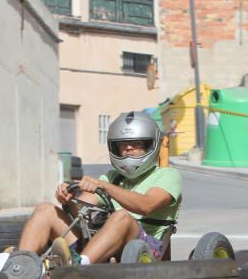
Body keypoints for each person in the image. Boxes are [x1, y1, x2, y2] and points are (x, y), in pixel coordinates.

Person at [17, 111, 182, 264]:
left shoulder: (167, 176)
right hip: (102, 246)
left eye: (136, 143)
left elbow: (146, 205)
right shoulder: (112, 177)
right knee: (45, 210)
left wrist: (104, 186)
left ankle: (79, 268)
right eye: (122, 144)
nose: (128, 148)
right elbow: (80, 211)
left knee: (122, 217)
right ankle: (21, 268)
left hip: (145, 249)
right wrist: (68, 198)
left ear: (150, 145)